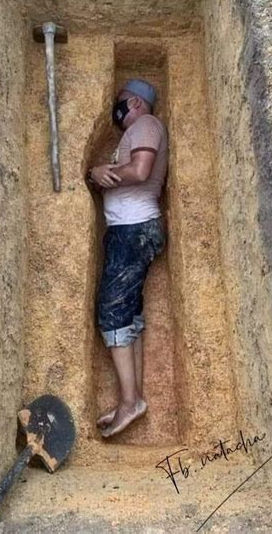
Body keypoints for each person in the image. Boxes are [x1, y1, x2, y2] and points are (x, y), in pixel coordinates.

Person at [85, 78, 169, 438]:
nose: (117, 111)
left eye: (121, 103)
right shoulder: (136, 131)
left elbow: (141, 171)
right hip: (132, 231)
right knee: (128, 315)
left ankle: (129, 403)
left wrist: (105, 172)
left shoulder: (146, 124)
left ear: (135, 102)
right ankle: (132, 398)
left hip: (134, 231)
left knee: (112, 313)